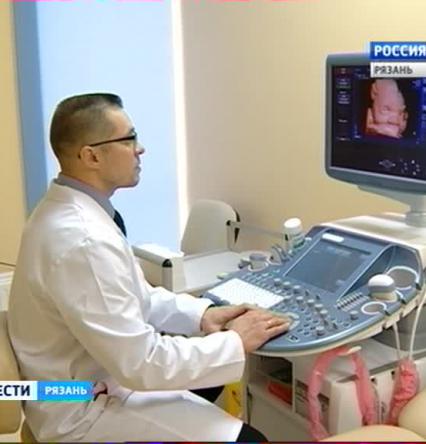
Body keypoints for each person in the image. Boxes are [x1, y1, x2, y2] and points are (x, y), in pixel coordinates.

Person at [8, 93, 290, 442]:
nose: (140, 149)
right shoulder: (83, 239)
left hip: (92, 379)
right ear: (91, 156)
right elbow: (140, 364)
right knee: (251, 440)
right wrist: (235, 341)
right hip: (84, 407)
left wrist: (202, 315)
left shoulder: (71, 211)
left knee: (212, 373)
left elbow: (136, 297)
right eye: (129, 139)